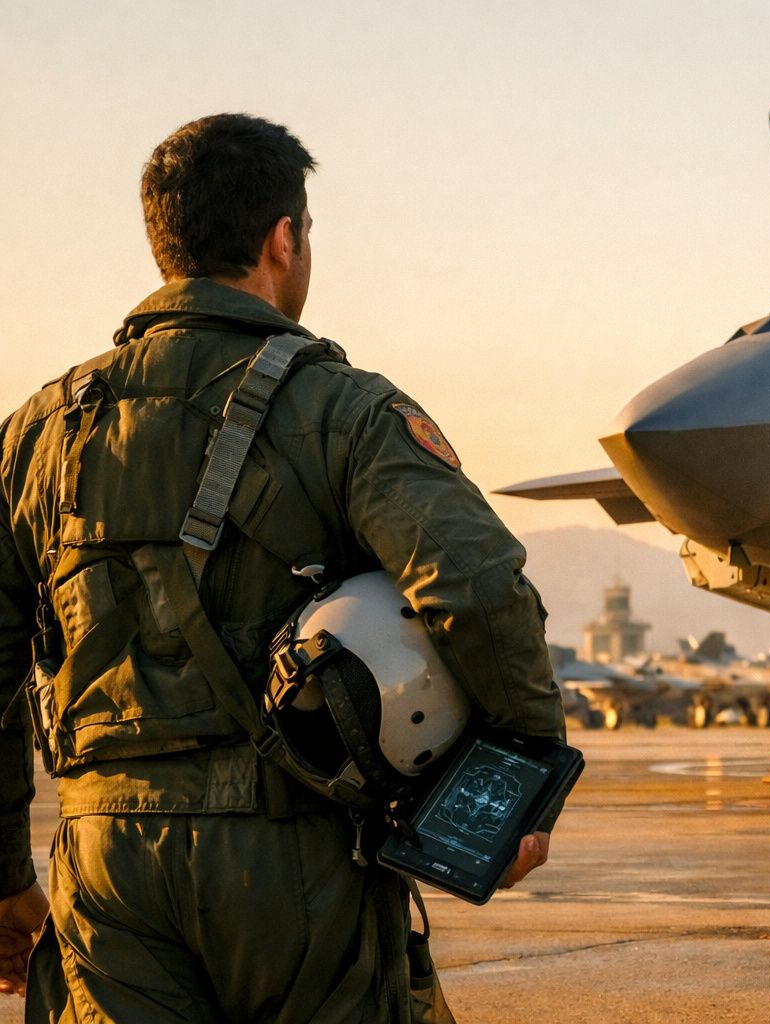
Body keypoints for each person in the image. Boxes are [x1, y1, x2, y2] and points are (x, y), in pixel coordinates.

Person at [0, 113, 566, 1022]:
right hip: (298, 860)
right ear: (283, 238)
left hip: (106, 868)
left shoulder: (40, 433)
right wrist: (524, 774)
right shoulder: (342, 409)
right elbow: (475, 584)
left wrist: (1, 872)